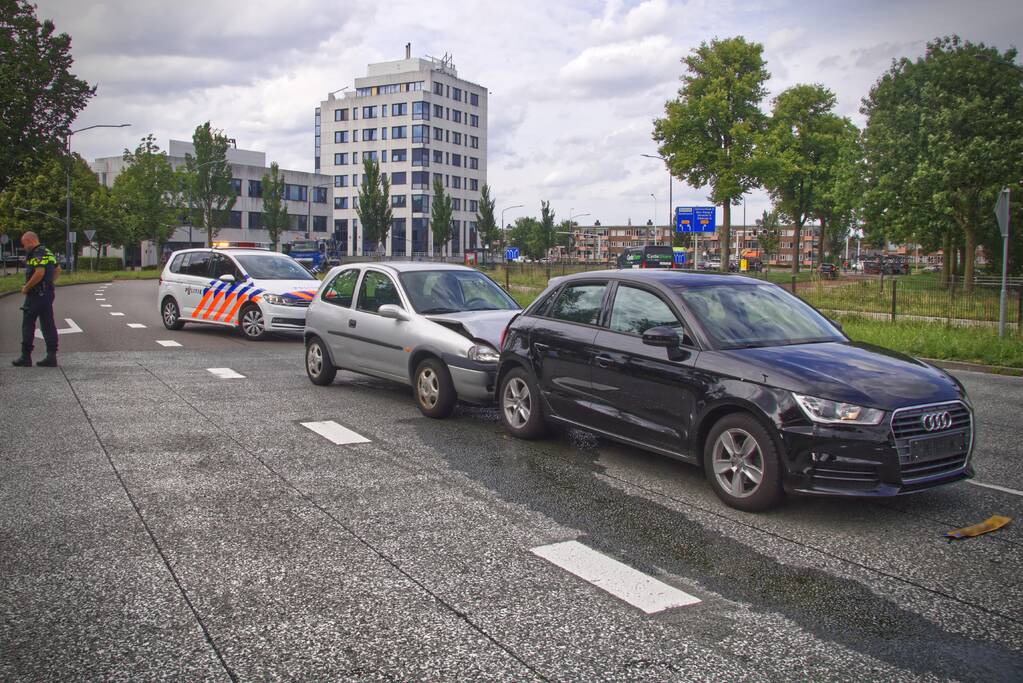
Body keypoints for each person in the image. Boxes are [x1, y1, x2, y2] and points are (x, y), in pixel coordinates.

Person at [12, 231, 61, 367]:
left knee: (28, 324)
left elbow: (39, 273)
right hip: (47, 294)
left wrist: (27, 287)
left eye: (24, 244)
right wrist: (49, 283)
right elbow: (58, 270)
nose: (24, 247)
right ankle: (51, 356)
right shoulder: (48, 252)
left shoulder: (36, 252)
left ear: (29, 241)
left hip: (35, 295)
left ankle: (25, 357)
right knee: (48, 324)